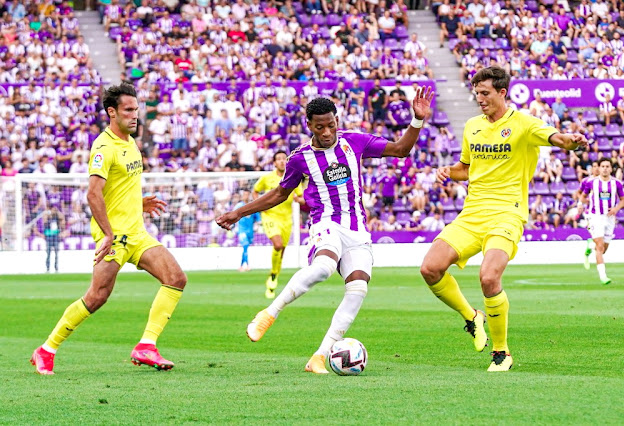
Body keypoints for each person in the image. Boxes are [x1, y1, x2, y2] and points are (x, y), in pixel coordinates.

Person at [217, 89, 433, 373]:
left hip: (357, 231)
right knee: (324, 267)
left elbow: (401, 150)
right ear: (309, 125)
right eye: (321, 127)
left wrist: (416, 121)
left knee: (358, 289)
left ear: (337, 120)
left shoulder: (354, 142)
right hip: (325, 224)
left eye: (331, 124)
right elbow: (279, 194)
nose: (328, 131)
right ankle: (269, 314)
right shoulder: (299, 158)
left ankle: (319, 356)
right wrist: (238, 212)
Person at [419, 66, 588, 372]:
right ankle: (472, 317)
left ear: (501, 93)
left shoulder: (524, 122)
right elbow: (467, 167)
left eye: (485, 93)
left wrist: (569, 141)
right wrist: (448, 171)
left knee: (488, 277)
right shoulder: (472, 126)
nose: (479, 99)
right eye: (476, 93)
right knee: (430, 269)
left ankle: (501, 352)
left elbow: (554, 136)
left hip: (507, 213)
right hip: (472, 213)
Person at [30, 83, 188, 375]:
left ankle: (146, 346)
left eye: (136, 110)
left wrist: (138, 203)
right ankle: (46, 349)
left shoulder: (130, 142)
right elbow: (93, 193)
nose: (134, 116)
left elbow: (117, 190)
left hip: (137, 233)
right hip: (114, 236)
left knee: (176, 278)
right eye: (128, 110)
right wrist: (107, 233)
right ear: (112, 112)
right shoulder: (103, 147)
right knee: (96, 297)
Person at [252, 150, 304, 298]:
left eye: (284, 159)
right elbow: (255, 191)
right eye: (279, 159)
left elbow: (301, 197)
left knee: (281, 251)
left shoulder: (293, 177)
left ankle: (274, 275)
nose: (282, 161)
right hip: (270, 217)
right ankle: (274, 275)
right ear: (274, 163)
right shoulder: (266, 178)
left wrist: (299, 200)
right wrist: (260, 206)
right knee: (277, 244)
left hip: (286, 219)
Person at [580, 158, 624, 285]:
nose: (605, 168)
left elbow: (623, 200)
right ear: (599, 168)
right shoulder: (592, 183)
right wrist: (582, 203)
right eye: (603, 166)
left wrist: (616, 208)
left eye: (607, 166)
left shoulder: (616, 184)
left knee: (603, 248)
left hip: (610, 218)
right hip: (596, 217)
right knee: (600, 247)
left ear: (611, 169)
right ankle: (603, 276)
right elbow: (583, 196)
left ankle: (590, 244)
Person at [235, 190, 260, 272]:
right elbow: (233, 215)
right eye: (244, 195)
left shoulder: (253, 206)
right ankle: (247, 265)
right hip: (241, 230)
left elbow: (258, 219)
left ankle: (241, 266)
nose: (246, 196)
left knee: (246, 248)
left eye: (247, 195)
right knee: (245, 246)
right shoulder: (239, 206)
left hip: (250, 231)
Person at [39, 202, 65, 273]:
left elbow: (62, 218)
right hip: (49, 237)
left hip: (55, 236)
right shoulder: (47, 216)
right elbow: (44, 221)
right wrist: (49, 213)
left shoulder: (57, 217)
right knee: (48, 253)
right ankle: (47, 268)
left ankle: (56, 268)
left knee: (56, 253)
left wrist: (57, 212)